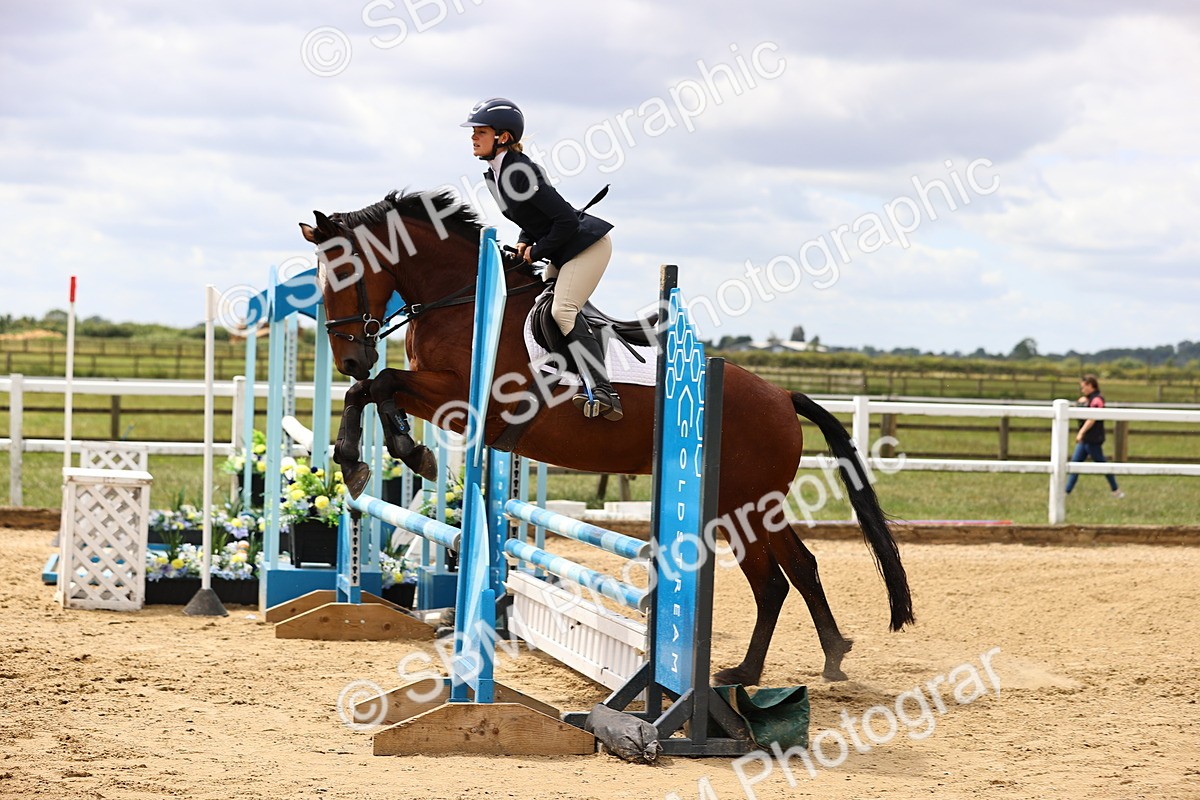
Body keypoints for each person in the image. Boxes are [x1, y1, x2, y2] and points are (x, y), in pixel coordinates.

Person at [461, 97, 622, 421]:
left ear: (502, 137)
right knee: (538, 308)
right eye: (474, 131)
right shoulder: (494, 176)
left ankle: (605, 390)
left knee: (563, 310)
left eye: (481, 131)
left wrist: (536, 251)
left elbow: (565, 219)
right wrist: (524, 242)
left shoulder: (520, 170)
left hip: (587, 247)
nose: (473, 137)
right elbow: (531, 220)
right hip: (564, 249)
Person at [1065, 374, 1124, 498]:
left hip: (1092, 439)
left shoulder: (1097, 400)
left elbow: (1092, 418)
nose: (1082, 390)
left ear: (1090, 386)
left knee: (1101, 465)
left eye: (1083, 387)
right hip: (1086, 440)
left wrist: (1081, 432)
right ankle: (1066, 492)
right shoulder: (1087, 399)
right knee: (1075, 465)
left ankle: (1116, 490)